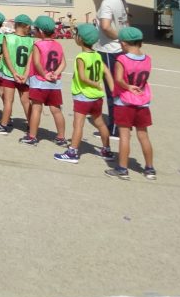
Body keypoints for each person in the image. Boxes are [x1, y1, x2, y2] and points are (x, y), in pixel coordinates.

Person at [54, 23, 115, 164]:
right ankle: (106, 149)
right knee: (100, 123)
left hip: (83, 96)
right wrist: (111, 88)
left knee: (78, 125)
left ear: (80, 39)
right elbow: (106, 72)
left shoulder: (81, 57)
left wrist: (95, 83)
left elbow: (82, 77)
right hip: (97, 97)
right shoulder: (97, 55)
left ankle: (73, 152)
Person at [106, 27, 155, 181]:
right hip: (142, 101)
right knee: (144, 136)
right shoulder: (147, 59)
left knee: (125, 136)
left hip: (124, 101)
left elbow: (119, 79)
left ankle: (122, 169)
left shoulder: (122, 59)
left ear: (124, 43)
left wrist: (127, 87)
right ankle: (149, 168)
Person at [94, 0, 135, 132]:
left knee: (112, 88)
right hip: (120, 49)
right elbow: (127, 24)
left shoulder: (108, 2)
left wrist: (118, 38)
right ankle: (121, 122)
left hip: (109, 49)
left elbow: (105, 26)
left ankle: (115, 127)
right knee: (120, 85)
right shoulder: (122, 1)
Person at [21, 15, 67, 147]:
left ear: (40, 31)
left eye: (35, 29)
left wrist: (44, 75)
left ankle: (32, 136)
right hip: (54, 83)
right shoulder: (58, 45)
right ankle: (61, 137)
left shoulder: (38, 45)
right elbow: (63, 63)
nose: (33, 31)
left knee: (36, 109)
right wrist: (55, 73)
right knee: (56, 110)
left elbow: (36, 63)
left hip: (40, 82)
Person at [0, 13, 33, 134]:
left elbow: (6, 57)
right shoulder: (31, 40)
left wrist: (14, 73)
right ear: (26, 26)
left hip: (9, 74)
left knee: (8, 101)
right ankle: (32, 125)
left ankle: (3, 125)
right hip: (24, 75)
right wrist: (24, 74)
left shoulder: (8, 37)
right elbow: (31, 60)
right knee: (26, 101)